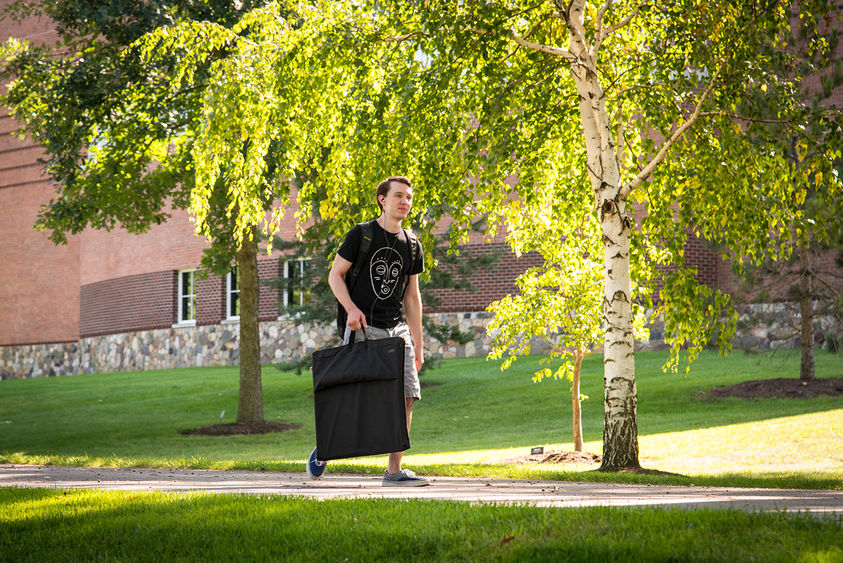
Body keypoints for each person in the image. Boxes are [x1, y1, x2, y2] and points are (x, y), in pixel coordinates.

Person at [306, 175, 429, 486]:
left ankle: (393, 471)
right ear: (382, 200)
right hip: (362, 327)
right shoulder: (361, 235)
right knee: (354, 399)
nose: (405, 202)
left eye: (409, 197)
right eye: (399, 196)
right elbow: (335, 275)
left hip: (397, 330)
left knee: (406, 397)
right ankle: (327, 448)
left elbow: (412, 296)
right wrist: (350, 308)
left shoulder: (412, 245)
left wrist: (419, 343)